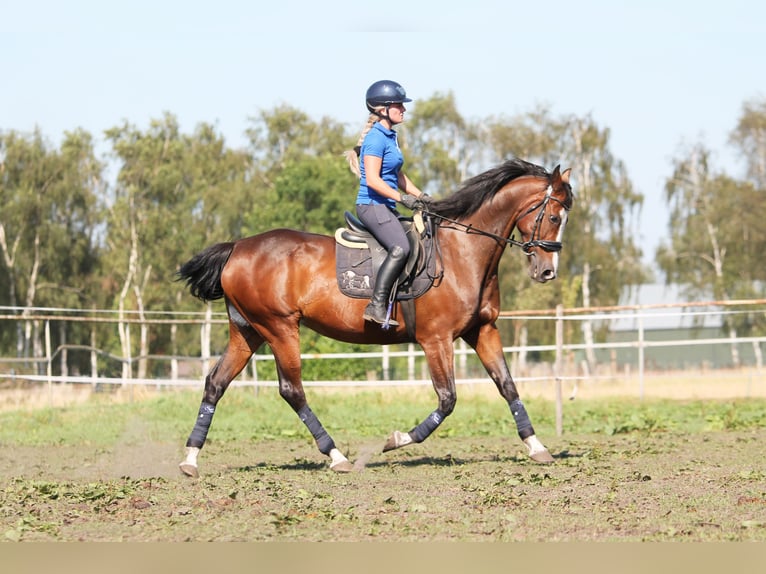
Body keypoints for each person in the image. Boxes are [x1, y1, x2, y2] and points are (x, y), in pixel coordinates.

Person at [345, 80, 429, 327]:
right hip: (371, 205)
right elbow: (372, 180)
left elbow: (397, 175)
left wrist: (422, 197)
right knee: (400, 247)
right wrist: (403, 199)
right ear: (382, 109)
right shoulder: (375, 139)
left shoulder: (391, 137)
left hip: (386, 206)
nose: (403, 109)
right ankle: (376, 305)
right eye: (398, 105)